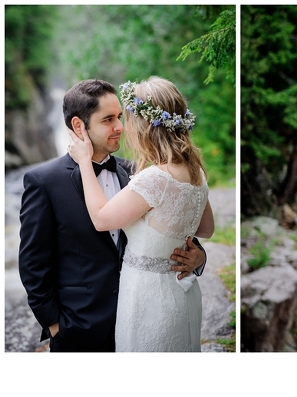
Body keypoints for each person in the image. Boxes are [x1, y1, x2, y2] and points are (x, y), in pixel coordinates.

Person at [19, 78, 207, 352]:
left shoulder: (139, 173)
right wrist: (54, 324)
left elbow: (171, 226)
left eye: (120, 116)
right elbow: (33, 263)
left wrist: (198, 256)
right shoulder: (44, 182)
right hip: (81, 328)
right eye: (108, 119)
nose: (120, 126)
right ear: (78, 126)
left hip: (144, 316)